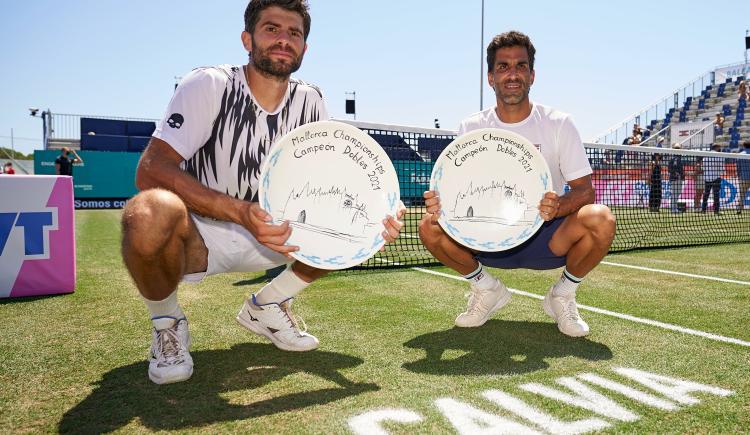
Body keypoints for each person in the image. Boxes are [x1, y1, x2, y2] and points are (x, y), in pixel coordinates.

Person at [121, 0, 405, 385]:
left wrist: (381, 211)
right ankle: (167, 323)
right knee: (146, 212)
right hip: (200, 235)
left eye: (294, 33)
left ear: (305, 48)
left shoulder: (311, 100)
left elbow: (333, 179)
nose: (283, 40)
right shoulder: (209, 84)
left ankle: (267, 305)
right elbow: (151, 169)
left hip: (275, 231)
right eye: (271, 29)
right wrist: (239, 212)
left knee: (356, 227)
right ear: (247, 38)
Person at [419, 31, 615, 338]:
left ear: (532, 75)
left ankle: (562, 295)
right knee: (429, 225)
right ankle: (487, 289)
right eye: (503, 66)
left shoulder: (559, 123)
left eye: (521, 66)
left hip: (547, 235)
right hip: (486, 237)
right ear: (490, 77)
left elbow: (585, 190)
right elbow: (456, 189)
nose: (513, 74)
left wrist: (559, 206)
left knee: (601, 218)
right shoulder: (471, 127)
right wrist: (439, 202)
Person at [701, 144, 724, 214]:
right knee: (716, 195)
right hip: (716, 177)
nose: (720, 148)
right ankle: (716, 210)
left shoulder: (706, 156)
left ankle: (703, 209)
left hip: (707, 177)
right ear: (717, 147)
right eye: (719, 147)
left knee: (706, 195)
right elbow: (721, 167)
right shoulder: (720, 155)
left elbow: (703, 167)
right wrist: (720, 173)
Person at [668, 144, 685, 213]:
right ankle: (673, 209)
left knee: (675, 193)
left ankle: (674, 208)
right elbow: (671, 169)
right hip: (676, 179)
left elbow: (670, 169)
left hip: (676, 178)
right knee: (675, 193)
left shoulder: (676, 158)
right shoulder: (676, 158)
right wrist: (677, 174)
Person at [737, 140, 750, 214]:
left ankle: (739, 209)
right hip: (744, 177)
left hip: (743, 177)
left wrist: (739, 176)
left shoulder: (740, 154)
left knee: (742, 194)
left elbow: (738, 167)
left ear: (744, 146)